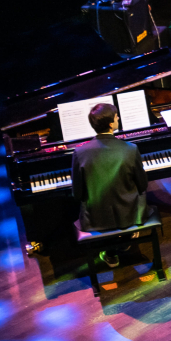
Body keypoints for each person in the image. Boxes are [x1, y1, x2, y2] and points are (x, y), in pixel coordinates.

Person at [70, 103, 149, 268]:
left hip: (96, 216)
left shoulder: (79, 152)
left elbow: (77, 194)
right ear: (111, 124)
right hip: (129, 214)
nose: (118, 118)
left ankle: (110, 252)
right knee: (139, 196)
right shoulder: (131, 149)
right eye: (116, 116)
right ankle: (126, 238)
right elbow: (143, 185)